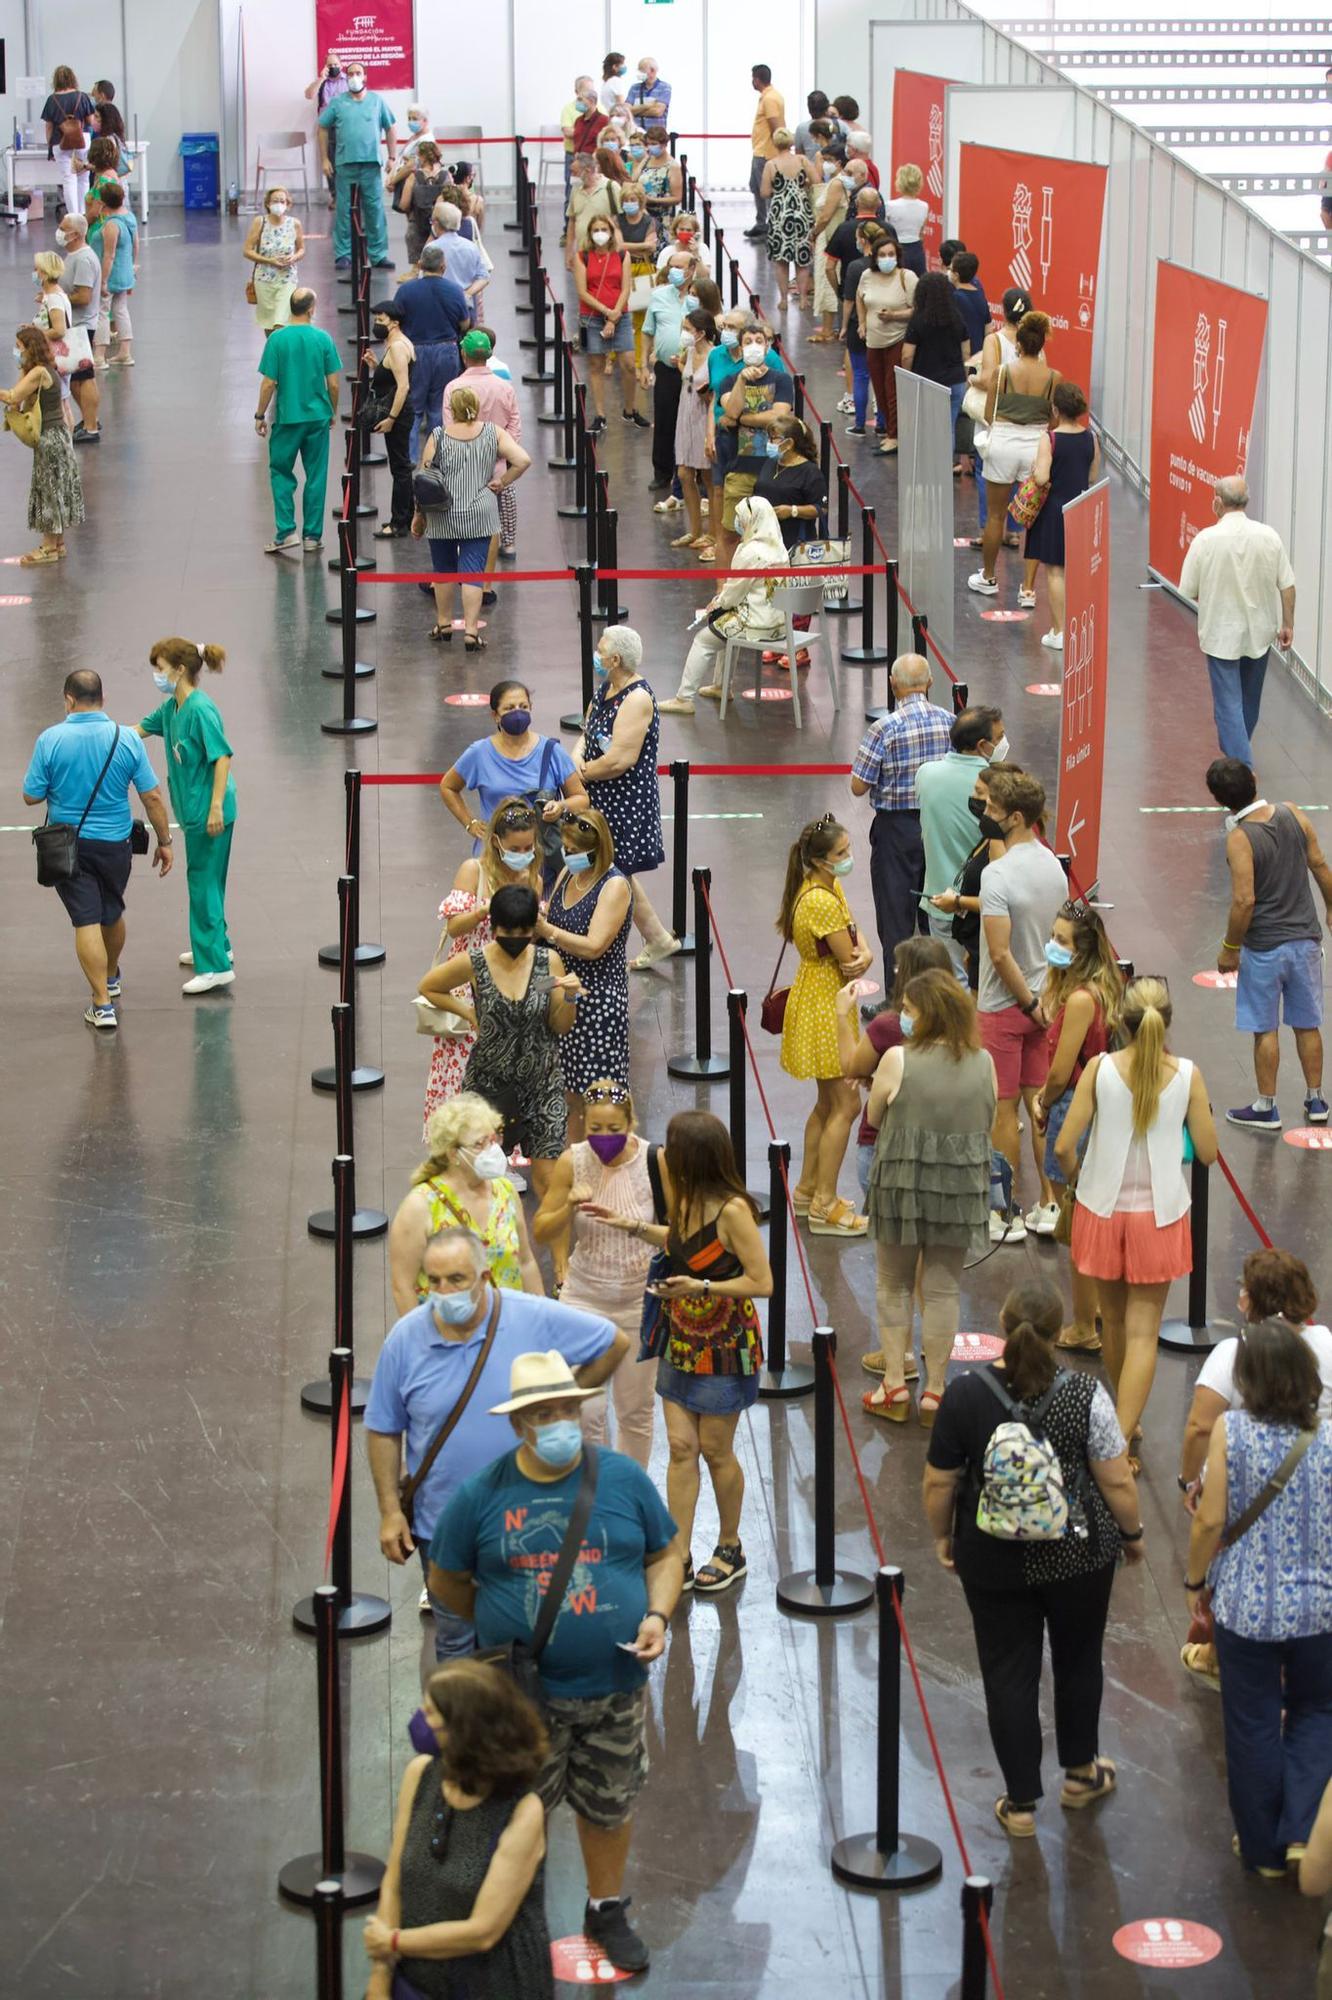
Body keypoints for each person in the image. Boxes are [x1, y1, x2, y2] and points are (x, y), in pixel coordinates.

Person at [429, 1348, 682, 1974]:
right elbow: (449, 1583)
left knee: (609, 1804)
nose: (560, 1422)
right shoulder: (481, 1495)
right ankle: (512, 1919)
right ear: (520, 1425)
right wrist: (502, 1626)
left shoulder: (622, 1479)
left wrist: (656, 1615)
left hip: (614, 1689)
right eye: (544, 1413)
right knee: (515, 1816)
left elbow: (666, 1554)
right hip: (522, 1703)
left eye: (567, 1408)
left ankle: (605, 1908)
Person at [923, 1279, 1144, 1838]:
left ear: (1002, 1323)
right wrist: (1132, 1534)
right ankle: (1080, 1774)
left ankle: (1020, 1803)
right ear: (1058, 1330)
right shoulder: (1085, 1393)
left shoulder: (966, 1394)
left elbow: (938, 1480)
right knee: (1078, 1658)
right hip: (1077, 1555)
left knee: (1007, 1672)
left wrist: (943, 1537)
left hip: (992, 1557)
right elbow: (1116, 1478)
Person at [367, 1227, 626, 1646]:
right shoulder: (405, 1340)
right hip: (443, 1528)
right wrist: (389, 1511)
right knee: (456, 1642)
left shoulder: (531, 1316)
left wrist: (562, 1405)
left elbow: (613, 1342)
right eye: (433, 1281)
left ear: (485, 1277)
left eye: (456, 1279)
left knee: (530, 1640)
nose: (444, 1291)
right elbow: (383, 1427)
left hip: (528, 1524)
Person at [1185, 1321, 1332, 1877]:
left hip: (1247, 1609)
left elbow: (1211, 1520)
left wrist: (1195, 1582)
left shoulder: (1232, 1431)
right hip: (1321, 1610)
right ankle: (1301, 1829)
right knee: (1318, 1711)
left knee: (1252, 1721)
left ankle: (1261, 1849)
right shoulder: (1330, 1438)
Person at [1057, 978, 1219, 1464]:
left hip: (1101, 1210)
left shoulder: (1099, 1070)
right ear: (1166, 1022)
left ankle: (1125, 1425)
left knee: (1115, 1324)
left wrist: (1075, 1182)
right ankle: (1121, 1437)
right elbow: (1208, 1152)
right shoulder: (1188, 1075)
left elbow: (1065, 1146)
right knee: (1145, 1331)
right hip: (1161, 1216)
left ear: (1119, 1022)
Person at [361, 1661, 553, 2000]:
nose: (421, 1718)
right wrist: (381, 1974)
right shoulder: (420, 1774)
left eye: (431, 1712)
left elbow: (482, 1932)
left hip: (490, 1986)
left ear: (464, 1731)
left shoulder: (523, 1811)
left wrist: (392, 1942)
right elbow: (395, 1880)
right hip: (412, 1978)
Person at [641, 1110, 771, 1590]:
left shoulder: (733, 1210)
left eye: (671, 1150)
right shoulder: (684, 1197)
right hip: (681, 1337)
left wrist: (700, 1287)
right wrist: (631, 1227)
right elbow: (679, 1240)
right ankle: (678, 1554)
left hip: (724, 1343)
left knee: (716, 1450)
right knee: (680, 1447)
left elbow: (763, 1281)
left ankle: (730, 1545)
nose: (663, 1156)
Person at [862, 972, 997, 1422]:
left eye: (909, 1010)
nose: (902, 1016)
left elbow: (874, 1116)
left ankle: (895, 1387)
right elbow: (989, 1118)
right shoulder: (984, 1062)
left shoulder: (898, 1059)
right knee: (943, 1290)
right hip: (959, 1187)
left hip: (901, 1182)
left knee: (893, 1283)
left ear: (927, 1015)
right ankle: (936, 1391)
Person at [21, 669, 173, 1029]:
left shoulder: (50, 740)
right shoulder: (126, 739)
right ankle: (110, 976)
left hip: (68, 845)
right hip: (116, 845)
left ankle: (101, 1006)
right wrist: (165, 842)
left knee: (85, 919)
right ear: (102, 698)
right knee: (111, 910)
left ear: (69, 699)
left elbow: (31, 796)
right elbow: (151, 796)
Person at [419, 886, 580, 1202]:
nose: (516, 938)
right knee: (478, 1182)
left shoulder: (549, 963)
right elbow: (430, 986)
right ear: (494, 928)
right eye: (508, 931)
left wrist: (571, 996)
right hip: (489, 1084)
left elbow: (560, 1024)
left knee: (549, 1182)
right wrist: (466, 1010)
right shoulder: (475, 963)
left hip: (541, 1083)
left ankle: (555, 1252)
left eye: (523, 931)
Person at [534, 1079, 660, 1465]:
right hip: (585, 1299)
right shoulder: (575, 1160)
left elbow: (679, 1233)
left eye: (614, 1130)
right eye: (595, 1129)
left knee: (635, 1413)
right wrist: (568, 1208)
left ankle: (627, 1493)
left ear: (631, 1123)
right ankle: (592, 1493)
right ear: (583, 1125)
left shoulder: (655, 1162)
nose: (604, 1138)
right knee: (585, 1411)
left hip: (639, 1304)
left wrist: (634, 1227)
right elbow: (541, 1229)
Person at [1205, 758, 1332, 1131]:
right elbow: (1320, 865)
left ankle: (1266, 1106)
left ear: (1219, 801)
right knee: (1308, 1025)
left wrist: (1230, 947)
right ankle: (1316, 1099)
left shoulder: (1240, 838)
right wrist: (1330, 906)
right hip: (1306, 942)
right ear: (1254, 780)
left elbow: (1244, 901)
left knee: (1266, 1029)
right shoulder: (1293, 813)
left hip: (1264, 949)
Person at [978, 768, 1069, 1243]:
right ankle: (1051, 1202)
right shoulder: (1053, 864)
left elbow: (998, 952)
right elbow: (1058, 939)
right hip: (1045, 1004)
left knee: (1003, 1110)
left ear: (1015, 817)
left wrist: (1026, 1001)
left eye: (992, 808)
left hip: (1003, 1005)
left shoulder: (997, 876)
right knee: (1040, 1106)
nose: (985, 814)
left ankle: (1005, 1209)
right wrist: (1043, 1000)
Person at [421, 798, 547, 1137]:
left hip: (512, 990)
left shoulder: (532, 879)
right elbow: (454, 928)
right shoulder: (473, 871)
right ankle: (457, 1147)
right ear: (496, 842)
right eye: (515, 847)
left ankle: (505, 1151)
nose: (524, 852)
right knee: (464, 1074)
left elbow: (531, 940)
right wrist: (484, 911)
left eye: (529, 846)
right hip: (470, 984)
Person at [778, 815, 876, 1236]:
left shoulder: (826, 886)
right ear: (819, 860)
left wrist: (865, 953)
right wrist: (862, 956)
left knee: (826, 1102)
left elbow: (859, 945)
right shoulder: (819, 900)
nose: (848, 859)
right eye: (841, 854)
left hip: (821, 997)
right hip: (826, 1006)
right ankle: (824, 1204)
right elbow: (849, 957)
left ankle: (805, 1190)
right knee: (847, 1104)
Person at [1031, 903, 1122, 1341]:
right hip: (1091, 1108)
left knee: (1079, 1222)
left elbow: (1061, 1070)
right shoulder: (1100, 989)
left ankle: (1085, 1323)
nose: (1053, 945)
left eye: (1062, 941)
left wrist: (1043, 1103)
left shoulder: (1082, 999)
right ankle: (1100, 1309)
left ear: (1082, 950)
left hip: (1073, 1108)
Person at [137, 638, 237, 996]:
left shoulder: (200, 710)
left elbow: (222, 757)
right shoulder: (172, 709)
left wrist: (213, 808)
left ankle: (215, 968)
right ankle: (217, 946)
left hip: (208, 812)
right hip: (193, 810)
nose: (156, 675)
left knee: (202, 883)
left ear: (179, 671)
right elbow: (137, 730)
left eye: (160, 668)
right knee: (210, 881)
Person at [575, 627, 678, 968]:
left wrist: (583, 773)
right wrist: (575, 762)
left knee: (613, 870)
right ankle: (658, 938)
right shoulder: (607, 687)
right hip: (597, 790)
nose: (597, 654)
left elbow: (620, 759)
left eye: (600, 649)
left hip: (623, 799)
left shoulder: (636, 698)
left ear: (615, 659)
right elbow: (587, 732)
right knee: (615, 868)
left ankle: (605, 941)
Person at [1179, 476, 1297, 766]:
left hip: (1220, 635)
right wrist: (1287, 624)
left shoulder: (1205, 540)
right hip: (1260, 632)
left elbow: (1188, 590)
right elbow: (1288, 585)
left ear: (1217, 502)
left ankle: (1243, 772)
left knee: (1228, 706)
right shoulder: (1269, 536)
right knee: (1248, 703)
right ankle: (1237, 757)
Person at [390, 1094, 543, 1315]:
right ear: (453, 1154)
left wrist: (541, 1320)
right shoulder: (420, 1206)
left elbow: (526, 1262)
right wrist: (421, 1342)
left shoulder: (506, 1192)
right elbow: (402, 1286)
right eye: (479, 1144)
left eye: (492, 1139)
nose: (491, 1150)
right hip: (446, 1335)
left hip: (505, 1328)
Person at [850, 653, 954, 971]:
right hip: (938, 827)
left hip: (895, 832)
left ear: (893, 684)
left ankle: (898, 1005)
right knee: (934, 917)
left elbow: (858, 786)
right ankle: (935, 998)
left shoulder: (883, 729)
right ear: (930, 683)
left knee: (896, 919)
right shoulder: (950, 722)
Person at [838, 935, 953, 1211]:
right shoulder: (959, 1026)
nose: (895, 972)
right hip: (941, 1153)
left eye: (899, 968)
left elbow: (852, 1067)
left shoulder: (888, 1026)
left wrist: (842, 1015)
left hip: (884, 1150)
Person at [412, 386, 529, 649]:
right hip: (480, 512)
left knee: (443, 570)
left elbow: (424, 480)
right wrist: (502, 481)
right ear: (476, 407)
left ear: (452, 410)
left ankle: (443, 624)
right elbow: (523, 459)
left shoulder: (438, 436)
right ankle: (471, 631)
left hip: (442, 513)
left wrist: (418, 515)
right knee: (473, 572)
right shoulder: (493, 433)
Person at [539, 810, 633, 1132]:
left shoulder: (615, 885)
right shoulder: (568, 873)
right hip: (565, 994)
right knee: (570, 1094)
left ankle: (609, 1168)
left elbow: (594, 946)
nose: (569, 855)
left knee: (603, 1100)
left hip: (599, 1003)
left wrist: (548, 931)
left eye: (576, 851)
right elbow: (551, 917)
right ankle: (575, 1165)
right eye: (566, 848)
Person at [658, 494, 787, 715]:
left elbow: (733, 595)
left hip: (754, 623)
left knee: (704, 640)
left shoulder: (749, 551)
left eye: (740, 517)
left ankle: (684, 698)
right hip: (779, 624)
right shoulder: (780, 549)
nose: (738, 522)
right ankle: (721, 686)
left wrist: (716, 603)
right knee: (724, 629)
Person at [439, 682, 585, 865]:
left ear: (531, 708)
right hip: (494, 857)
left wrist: (561, 806)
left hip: (541, 858)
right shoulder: (479, 753)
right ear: (495, 715)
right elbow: (448, 786)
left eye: (523, 707)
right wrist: (470, 823)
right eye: (509, 708)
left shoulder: (552, 751)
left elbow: (581, 798)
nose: (518, 713)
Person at [971, 311, 1060, 596]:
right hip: (1036, 447)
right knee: (1035, 519)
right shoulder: (1053, 377)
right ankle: (1028, 589)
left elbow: (989, 413)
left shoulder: (1003, 372)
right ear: (1041, 345)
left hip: (1003, 445)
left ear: (1018, 344)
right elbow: (1054, 421)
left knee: (996, 515)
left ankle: (988, 577)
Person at [916, 705, 1007, 971]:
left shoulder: (926, 774)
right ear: (982, 745)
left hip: (939, 903)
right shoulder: (1000, 785)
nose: (1003, 743)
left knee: (951, 984)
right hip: (985, 905)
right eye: (999, 738)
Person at [254, 288, 340, 556]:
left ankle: (286, 532)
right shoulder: (323, 339)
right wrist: (332, 412)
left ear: (291, 308)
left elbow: (269, 383)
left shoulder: (277, 340)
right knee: (316, 476)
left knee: (280, 473)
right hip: (317, 418)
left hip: (287, 417)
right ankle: (312, 537)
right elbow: (334, 384)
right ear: (312, 309)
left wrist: (259, 414)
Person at [1020, 382, 1098, 640]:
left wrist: (1035, 468)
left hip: (1054, 511)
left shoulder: (1049, 439)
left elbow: (1041, 478)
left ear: (1055, 409)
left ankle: (1059, 631)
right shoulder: (1090, 438)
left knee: (1055, 571)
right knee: (1074, 571)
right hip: (1080, 507)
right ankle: (1077, 628)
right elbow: (1093, 475)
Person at [0, 325, 84, 564]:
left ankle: (48, 548)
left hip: (50, 439)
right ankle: (57, 544)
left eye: (19, 347)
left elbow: (13, 397)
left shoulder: (39, 372)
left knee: (48, 491)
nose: (17, 352)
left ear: (29, 348)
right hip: (58, 437)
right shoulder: (42, 369)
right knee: (55, 489)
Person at [930, 758, 1013, 992]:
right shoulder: (988, 836)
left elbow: (999, 898)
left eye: (979, 793)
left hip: (990, 948)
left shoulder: (1000, 844)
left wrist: (957, 902)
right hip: (977, 945)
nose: (974, 799)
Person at [717, 322, 793, 567]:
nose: (753, 346)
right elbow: (731, 408)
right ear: (740, 348)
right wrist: (741, 381)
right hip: (739, 468)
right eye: (747, 342)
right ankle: (723, 591)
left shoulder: (781, 380)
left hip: (774, 468)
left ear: (767, 346)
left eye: (759, 341)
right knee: (730, 533)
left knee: (775, 533)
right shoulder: (729, 381)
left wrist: (742, 419)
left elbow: (778, 418)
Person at [445, 330, 523, 564]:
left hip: (465, 464)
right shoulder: (505, 387)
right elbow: (515, 425)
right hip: (498, 461)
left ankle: (465, 547)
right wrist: (502, 452)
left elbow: (449, 429)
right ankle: (508, 544)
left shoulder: (453, 388)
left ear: (463, 354)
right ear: (489, 355)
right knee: (506, 494)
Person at [393, 243, 472, 459]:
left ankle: (410, 458)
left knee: (414, 408)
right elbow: (465, 323)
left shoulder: (405, 290)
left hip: (415, 351)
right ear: (443, 267)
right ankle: (435, 457)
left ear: (419, 265)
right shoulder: (455, 290)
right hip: (446, 351)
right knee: (439, 408)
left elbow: (395, 321)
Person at [318, 60, 396, 270]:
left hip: (371, 165)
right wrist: (325, 158)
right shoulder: (337, 102)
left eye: (358, 73)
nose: (354, 77)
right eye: (350, 73)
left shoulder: (376, 101)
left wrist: (392, 157)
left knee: (374, 210)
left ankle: (378, 255)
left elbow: (390, 127)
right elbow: (322, 128)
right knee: (344, 211)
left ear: (365, 76)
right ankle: (343, 255)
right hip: (345, 164)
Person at [857, 231, 918, 454]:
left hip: (898, 339)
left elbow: (916, 309)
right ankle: (890, 430)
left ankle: (895, 435)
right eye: (882, 254)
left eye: (891, 254)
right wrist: (862, 322)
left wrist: (893, 315)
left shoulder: (907, 277)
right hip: (873, 341)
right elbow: (860, 297)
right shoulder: (867, 276)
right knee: (880, 389)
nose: (887, 258)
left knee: (893, 390)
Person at [576, 218, 638, 431]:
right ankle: (600, 414)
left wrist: (614, 316)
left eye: (604, 229)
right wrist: (606, 312)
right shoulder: (582, 256)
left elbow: (626, 288)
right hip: (592, 317)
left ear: (611, 232)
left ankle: (630, 410)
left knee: (629, 364)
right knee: (596, 366)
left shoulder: (622, 255)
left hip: (620, 316)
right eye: (596, 230)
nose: (600, 233)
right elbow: (583, 291)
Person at [639, 249, 694, 488]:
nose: (674, 271)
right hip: (665, 369)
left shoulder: (700, 296)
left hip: (693, 370)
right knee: (663, 420)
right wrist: (642, 365)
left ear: (692, 270)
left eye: (680, 267)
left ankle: (691, 471)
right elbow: (647, 331)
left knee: (692, 420)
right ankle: (662, 472)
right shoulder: (659, 295)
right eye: (672, 266)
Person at [901, 270, 971, 447]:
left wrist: (906, 378)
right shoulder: (957, 318)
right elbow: (966, 354)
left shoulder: (918, 321)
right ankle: (945, 470)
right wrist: (964, 377)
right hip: (955, 382)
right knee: (948, 429)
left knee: (926, 431)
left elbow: (907, 355)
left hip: (927, 384)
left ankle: (928, 471)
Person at [365, 298, 415, 539]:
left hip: (400, 414)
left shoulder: (396, 348)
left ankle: (399, 522)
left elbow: (403, 387)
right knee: (402, 466)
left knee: (400, 468)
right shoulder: (396, 344)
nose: (377, 323)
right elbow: (394, 379)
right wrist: (377, 366)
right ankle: (408, 515)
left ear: (394, 323)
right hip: (402, 412)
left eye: (381, 320)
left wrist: (392, 418)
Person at [670, 307, 716, 553]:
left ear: (700, 332)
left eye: (688, 329)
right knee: (685, 474)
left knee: (708, 476)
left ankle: (713, 534)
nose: (684, 333)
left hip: (703, 416)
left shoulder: (714, 356)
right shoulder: (688, 352)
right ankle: (695, 529)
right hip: (685, 413)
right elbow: (688, 375)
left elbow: (712, 389)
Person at [54, 213, 101, 443]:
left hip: (82, 327)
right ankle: (89, 418)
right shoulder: (74, 255)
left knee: (85, 377)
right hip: (75, 326)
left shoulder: (83, 259)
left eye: (63, 228)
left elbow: (84, 296)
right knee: (75, 379)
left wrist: (59, 298)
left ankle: (91, 427)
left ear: (75, 234)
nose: (60, 231)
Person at [754, 414, 827, 556]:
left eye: (774, 439)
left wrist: (792, 511)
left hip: (794, 544)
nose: (770, 443)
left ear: (789, 443)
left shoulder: (810, 472)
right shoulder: (770, 463)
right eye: (769, 438)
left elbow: (821, 509)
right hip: (765, 540)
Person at [839, 218, 884, 436]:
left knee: (861, 375)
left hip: (860, 327)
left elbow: (849, 301)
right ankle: (883, 424)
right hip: (884, 328)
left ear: (863, 240)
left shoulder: (856, 267)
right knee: (882, 376)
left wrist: (844, 326)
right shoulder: (889, 268)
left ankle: (859, 424)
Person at [761, 131, 815, 310]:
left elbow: (765, 192)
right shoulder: (802, 161)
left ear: (775, 144)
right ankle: (803, 299)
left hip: (780, 214)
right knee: (802, 259)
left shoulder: (771, 164)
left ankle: (783, 299)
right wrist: (803, 183)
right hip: (801, 211)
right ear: (791, 143)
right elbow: (817, 180)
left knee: (781, 260)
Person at [242, 184, 304, 339]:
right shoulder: (260, 222)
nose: (279, 204)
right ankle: (274, 351)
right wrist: (269, 260)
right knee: (269, 322)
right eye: (275, 201)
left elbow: (301, 249)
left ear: (288, 204)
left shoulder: (294, 224)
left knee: (281, 320)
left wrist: (294, 258)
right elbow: (247, 250)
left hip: (287, 278)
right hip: (264, 279)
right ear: (268, 204)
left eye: (283, 201)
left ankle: (281, 352)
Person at [91, 181, 137, 369]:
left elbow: (109, 256)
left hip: (112, 275)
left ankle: (99, 356)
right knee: (120, 310)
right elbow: (136, 244)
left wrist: (102, 281)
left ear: (103, 204)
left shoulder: (111, 225)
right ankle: (125, 353)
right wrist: (132, 266)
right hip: (125, 272)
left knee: (102, 312)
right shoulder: (130, 218)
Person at [32, 252, 77, 423]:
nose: (34, 273)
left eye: (35, 269)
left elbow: (59, 330)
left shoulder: (53, 299)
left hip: (56, 358)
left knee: (61, 404)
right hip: (58, 357)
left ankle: (65, 442)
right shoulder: (54, 295)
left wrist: (34, 333)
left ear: (44, 273)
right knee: (63, 401)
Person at [398, 138, 451, 268]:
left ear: (421, 157)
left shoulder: (413, 177)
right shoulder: (446, 177)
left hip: (416, 227)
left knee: (418, 270)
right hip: (441, 227)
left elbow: (404, 205)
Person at [748, 65, 787, 237]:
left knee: (766, 190)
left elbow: (775, 126)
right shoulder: (769, 96)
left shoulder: (770, 98)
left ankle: (771, 225)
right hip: (761, 151)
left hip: (766, 153)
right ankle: (762, 222)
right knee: (756, 187)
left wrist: (782, 151)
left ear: (756, 79)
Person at [305, 52, 348, 207]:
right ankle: (335, 195)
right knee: (329, 162)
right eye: (330, 65)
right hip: (327, 127)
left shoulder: (349, 80)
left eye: (336, 64)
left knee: (346, 162)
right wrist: (321, 77)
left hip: (346, 126)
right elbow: (309, 95)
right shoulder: (322, 83)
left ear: (341, 65)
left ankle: (349, 196)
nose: (333, 67)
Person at [565, 153, 620, 271]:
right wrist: (569, 252)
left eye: (575, 172)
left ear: (587, 170)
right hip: (582, 254)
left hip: (607, 253)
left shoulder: (611, 187)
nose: (572, 176)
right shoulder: (575, 189)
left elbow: (622, 220)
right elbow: (572, 221)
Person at [429, 201, 490, 305]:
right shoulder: (471, 247)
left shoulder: (432, 248)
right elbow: (484, 277)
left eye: (432, 221)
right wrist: (467, 294)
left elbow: (424, 279)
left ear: (437, 223)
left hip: (439, 305)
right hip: (465, 305)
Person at [883, 164, 930, 277]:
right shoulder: (924, 206)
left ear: (900, 182)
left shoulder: (889, 206)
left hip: (895, 248)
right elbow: (921, 233)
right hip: (917, 250)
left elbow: (885, 231)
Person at [42, 66, 94, 159]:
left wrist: (50, 147)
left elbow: (49, 127)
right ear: (73, 79)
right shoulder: (82, 97)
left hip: (59, 141)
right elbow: (91, 121)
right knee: (83, 171)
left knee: (67, 173)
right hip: (82, 139)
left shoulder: (51, 100)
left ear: (56, 81)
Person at [626, 59, 671, 126]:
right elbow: (626, 110)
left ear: (653, 70)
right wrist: (647, 105)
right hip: (637, 134)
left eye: (642, 70)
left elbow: (657, 112)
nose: (639, 73)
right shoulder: (634, 88)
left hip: (656, 134)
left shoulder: (664, 87)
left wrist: (635, 111)